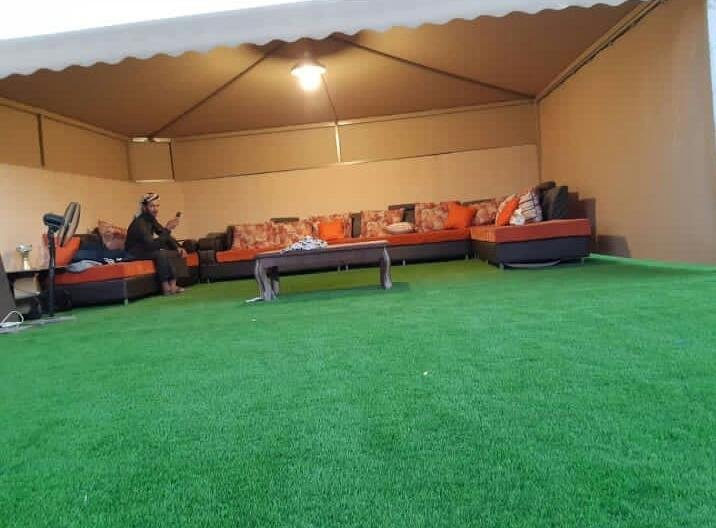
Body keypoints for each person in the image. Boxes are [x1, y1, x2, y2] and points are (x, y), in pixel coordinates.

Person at [125, 193, 187, 295]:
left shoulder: (150, 219)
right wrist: (168, 229)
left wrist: (178, 247)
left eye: (157, 206)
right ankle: (166, 287)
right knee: (161, 253)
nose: (156, 209)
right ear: (144, 208)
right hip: (134, 254)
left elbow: (162, 232)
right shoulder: (140, 223)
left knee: (173, 251)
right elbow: (152, 245)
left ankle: (173, 285)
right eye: (152, 206)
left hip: (145, 249)